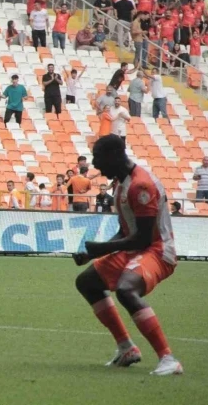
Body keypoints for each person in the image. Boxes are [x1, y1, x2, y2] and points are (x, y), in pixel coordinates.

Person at [72, 135, 183, 376]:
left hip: (158, 250)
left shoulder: (140, 185)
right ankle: (126, 348)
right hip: (136, 249)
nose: (96, 165)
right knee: (87, 282)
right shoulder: (122, 183)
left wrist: (101, 249)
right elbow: (126, 231)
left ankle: (168, 359)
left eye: (98, 158)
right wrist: (91, 254)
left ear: (113, 155)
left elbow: (143, 238)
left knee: (126, 289)